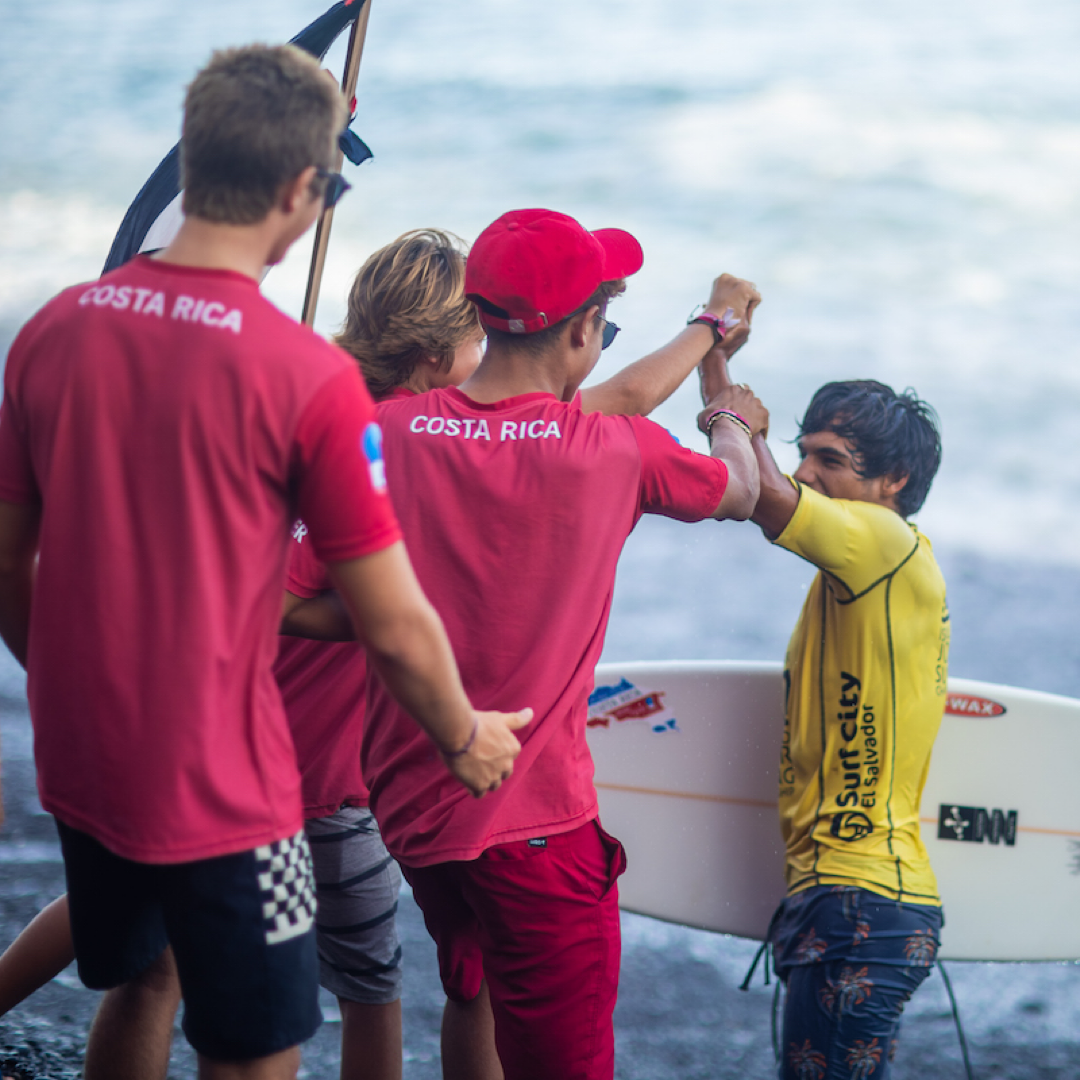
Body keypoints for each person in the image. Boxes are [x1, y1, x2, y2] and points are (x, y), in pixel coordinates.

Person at [0, 45, 527, 1080]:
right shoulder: (307, 379)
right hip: (232, 788)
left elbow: (10, 561)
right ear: (300, 192)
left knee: (142, 979)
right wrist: (465, 737)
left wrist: (62, 678)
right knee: (256, 1043)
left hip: (87, 753)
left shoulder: (51, 330)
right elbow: (392, 618)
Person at [276, 227, 764, 1080]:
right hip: (537, 830)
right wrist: (730, 415)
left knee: (476, 994)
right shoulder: (610, 451)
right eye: (601, 325)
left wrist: (385, 617)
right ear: (580, 333)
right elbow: (744, 489)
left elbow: (275, 592)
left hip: (414, 815)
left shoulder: (386, 434)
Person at [699, 351, 947, 1079]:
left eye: (830, 459)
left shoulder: (884, 543)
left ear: (893, 481)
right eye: (803, 452)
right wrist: (716, 370)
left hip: (862, 903)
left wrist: (727, 411)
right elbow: (765, 484)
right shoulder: (860, 573)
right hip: (854, 903)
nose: (807, 471)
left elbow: (760, 494)